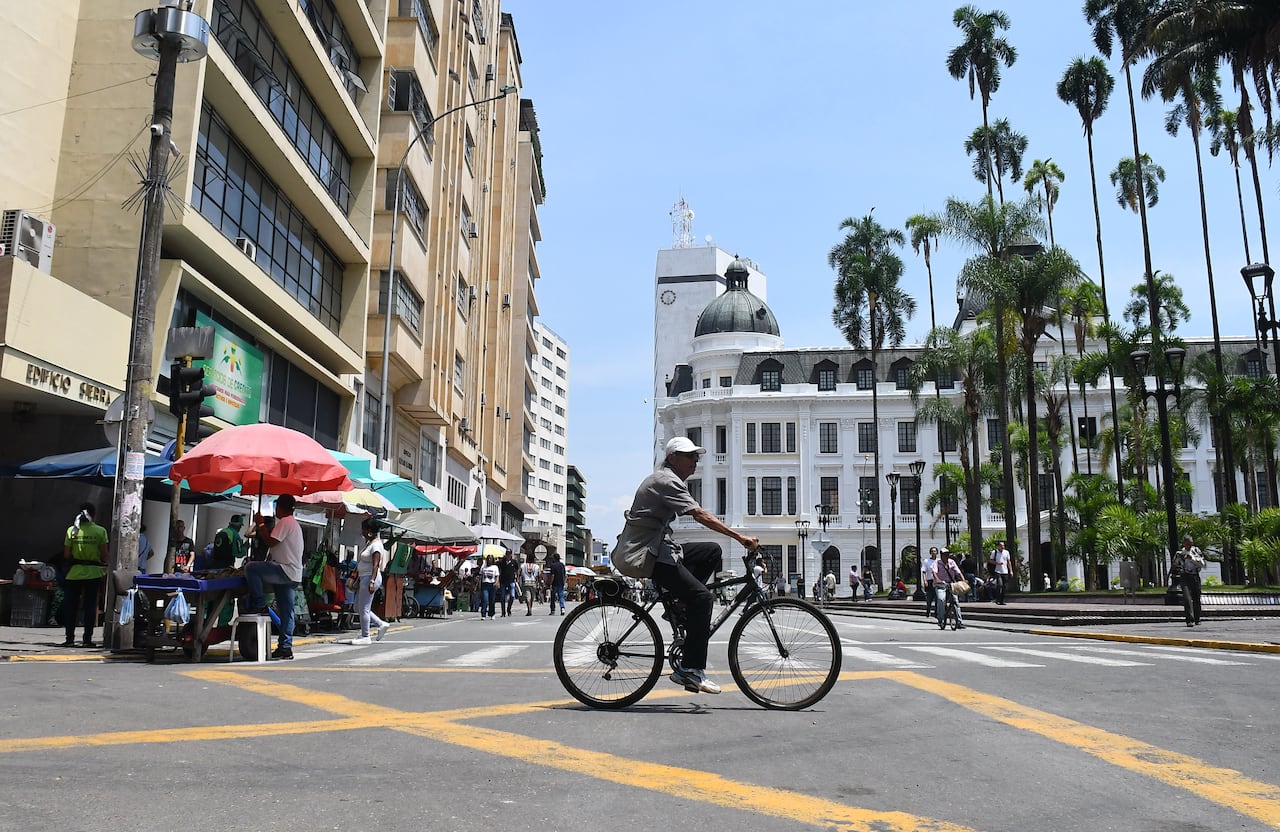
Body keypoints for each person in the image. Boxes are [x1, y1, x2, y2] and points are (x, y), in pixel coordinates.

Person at [618, 436, 759, 695]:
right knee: (703, 599)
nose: (695, 460)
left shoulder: (669, 479)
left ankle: (680, 603)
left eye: (697, 456)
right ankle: (690, 669)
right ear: (672, 457)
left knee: (711, 551)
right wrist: (739, 537)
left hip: (661, 547)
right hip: (649, 553)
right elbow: (700, 515)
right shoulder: (666, 481)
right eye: (689, 456)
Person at [244, 495, 303, 660]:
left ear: (280, 508)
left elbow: (271, 541)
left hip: (284, 569)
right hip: (293, 573)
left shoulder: (285, 522)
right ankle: (285, 647)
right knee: (286, 612)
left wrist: (261, 524)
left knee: (251, 568)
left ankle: (260, 604)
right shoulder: (294, 524)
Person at [61, 502, 108, 648]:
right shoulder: (100, 531)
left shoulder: (72, 530)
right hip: (93, 573)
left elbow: (67, 555)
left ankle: (69, 638)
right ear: (94, 515)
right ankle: (87, 639)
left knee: (71, 607)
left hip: (74, 573)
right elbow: (104, 555)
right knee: (90, 607)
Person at [349, 517, 391, 644]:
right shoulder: (369, 543)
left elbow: (376, 565)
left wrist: (372, 582)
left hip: (369, 578)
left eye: (364, 529)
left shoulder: (376, 545)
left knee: (364, 609)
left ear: (369, 531)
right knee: (358, 607)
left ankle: (365, 636)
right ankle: (381, 624)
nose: (362, 532)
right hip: (364, 577)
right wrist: (355, 577)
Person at [1176, 534, 1206, 627]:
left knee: (1196, 598)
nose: (1188, 545)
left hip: (1194, 576)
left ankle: (1197, 618)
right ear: (1184, 543)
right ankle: (1189, 620)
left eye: (1190, 543)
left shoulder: (1196, 551)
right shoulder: (1181, 553)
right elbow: (1176, 564)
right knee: (1187, 598)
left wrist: (1192, 559)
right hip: (1185, 576)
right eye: (1187, 543)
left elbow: (1203, 564)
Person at [932, 546, 966, 629]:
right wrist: (937, 579)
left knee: (956, 601)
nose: (946, 556)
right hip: (941, 584)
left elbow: (958, 572)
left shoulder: (951, 562)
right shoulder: (937, 563)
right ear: (941, 555)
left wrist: (963, 580)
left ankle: (959, 622)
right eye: (944, 554)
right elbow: (934, 572)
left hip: (951, 583)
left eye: (947, 554)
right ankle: (940, 619)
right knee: (941, 599)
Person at [989, 540, 1013, 605]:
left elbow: (1009, 562)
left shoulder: (1006, 552)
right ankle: (997, 598)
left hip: (1005, 571)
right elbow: (990, 561)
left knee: (1004, 586)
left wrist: (1011, 571)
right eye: (1001, 545)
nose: (1002, 547)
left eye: (1003, 545)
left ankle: (1002, 600)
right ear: (998, 546)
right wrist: (997, 563)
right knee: (1000, 585)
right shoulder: (994, 552)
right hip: (998, 571)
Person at [498, 549, 519, 617]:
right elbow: (499, 571)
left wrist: (517, 577)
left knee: (512, 596)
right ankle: (503, 612)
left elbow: (517, 570)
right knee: (502, 597)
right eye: (507, 554)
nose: (508, 555)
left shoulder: (514, 562)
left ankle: (509, 609)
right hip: (503, 581)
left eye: (509, 554)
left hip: (511, 581)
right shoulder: (502, 562)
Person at [479, 555, 499, 620]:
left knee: (492, 600)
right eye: (488, 559)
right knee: (485, 599)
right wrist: (479, 584)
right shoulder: (483, 567)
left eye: (491, 559)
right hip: (485, 584)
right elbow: (481, 576)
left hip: (492, 585)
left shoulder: (495, 567)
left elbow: (497, 576)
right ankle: (483, 614)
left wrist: (496, 582)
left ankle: (492, 614)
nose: (489, 560)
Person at [921, 546, 939, 618]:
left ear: (937, 552)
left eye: (935, 551)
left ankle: (936, 612)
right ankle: (928, 611)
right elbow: (924, 571)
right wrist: (925, 580)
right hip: (930, 581)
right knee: (929, 598)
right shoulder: (926, 561)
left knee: (937, 597)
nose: (933, 552)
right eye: (932, 551)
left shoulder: (939, 561)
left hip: (937, 581)